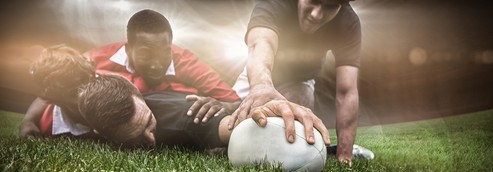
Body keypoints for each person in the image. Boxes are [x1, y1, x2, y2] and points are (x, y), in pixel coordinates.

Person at [19, 9, 240, 137]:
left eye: (164, 54)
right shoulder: (95, 61)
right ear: (128, 48)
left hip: (173, 106)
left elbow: (232, 100)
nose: (156, 64)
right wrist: (28, 121)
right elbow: (54, 84)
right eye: (146, 54)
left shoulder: (186, 62)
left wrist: (224, 106)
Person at [228, 0, 374, 163]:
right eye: (313, 1)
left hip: (300, 81)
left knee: (296, 105)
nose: (316, 15)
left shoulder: (347, 21)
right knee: (226, 126)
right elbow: (261, 42)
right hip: (258, 74)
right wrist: (261, 86)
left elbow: (346, 91)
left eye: (330, 6)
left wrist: (345, 155)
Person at [78, 74, 330, 149]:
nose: (151, 140)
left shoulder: (188, 115)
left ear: (138, 93)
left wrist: (268, 111)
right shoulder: (92, 130)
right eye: (133, 139)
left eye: (148, 124)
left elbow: (233, 126)